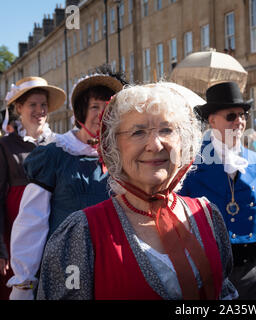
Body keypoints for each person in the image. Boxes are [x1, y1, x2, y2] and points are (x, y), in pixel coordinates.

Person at [36, 82, 237, 300]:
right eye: (138, 132)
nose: (155, 145)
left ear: (183, 142)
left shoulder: (207, 215)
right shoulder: (82, 233)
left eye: (166, 129)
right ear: (113, 146)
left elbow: (224, 293)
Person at [7, 71, 124, 300]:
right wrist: (24, 282)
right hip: (67, 267)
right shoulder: (56, 154)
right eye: (94, 107)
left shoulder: (122, 157)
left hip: (111, 263)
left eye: (108, 107)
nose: (102, 114)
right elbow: (32, 220)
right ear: (80, 111)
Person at [179, 81, 256, 300]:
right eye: (231, 116)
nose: (239, 121)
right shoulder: (191, 164)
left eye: (243, 115)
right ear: (212, 120)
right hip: (211, 275)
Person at [0, 76, 65, 300]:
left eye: (43, 105)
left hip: (52, 224)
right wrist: (1, 246)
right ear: (19, 108)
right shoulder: (5, 145)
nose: (40, 110)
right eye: (33, 105)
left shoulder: (59, 143)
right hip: (16, 230)